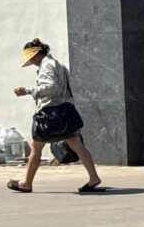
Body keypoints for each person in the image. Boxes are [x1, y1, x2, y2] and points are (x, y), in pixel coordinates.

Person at [8, 39, 102, 193]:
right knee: (77, 146)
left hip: (50, 114)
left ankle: (26, 183)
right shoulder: (59, 65)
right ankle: (93, 178)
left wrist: (28, 90)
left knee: (36, 148)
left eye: (31, 58)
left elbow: (50, 88)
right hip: (66, 111)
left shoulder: (47, 66)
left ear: (38, 54)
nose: (31, 62)